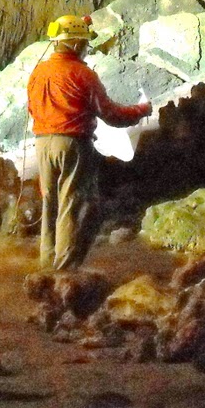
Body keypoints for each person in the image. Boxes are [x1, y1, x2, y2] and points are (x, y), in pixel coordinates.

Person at [27, 14, 152, 270]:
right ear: (74, 43)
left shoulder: (38, 73)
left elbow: (32, 108)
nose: (86, 48)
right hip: (72, 143)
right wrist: (141, 110)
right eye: (83, 42)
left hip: (42, 144)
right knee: (71, 204)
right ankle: (64, 272)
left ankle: (45, 267)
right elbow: (111, 115)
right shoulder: (82, 74)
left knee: (50, 204)